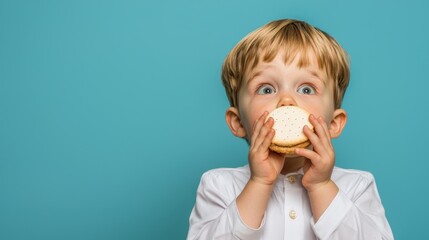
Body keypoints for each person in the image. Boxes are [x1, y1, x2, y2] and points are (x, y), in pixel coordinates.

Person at [187, 19, 393, 240]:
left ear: (334, 123)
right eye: (266, 89)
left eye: (306, 88)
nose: (287, 101)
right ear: (238, 122)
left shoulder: (357, 187)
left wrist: (321, 185)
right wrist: (259, 183)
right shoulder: (219, 185)